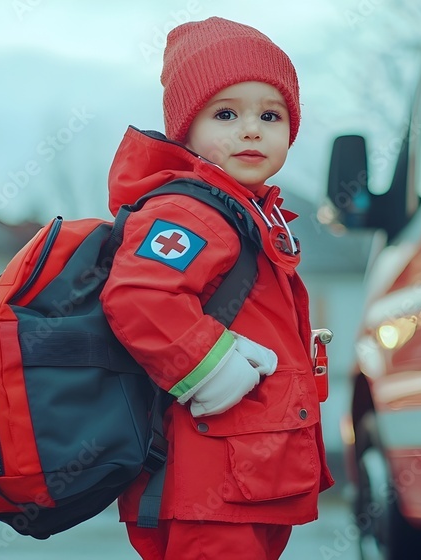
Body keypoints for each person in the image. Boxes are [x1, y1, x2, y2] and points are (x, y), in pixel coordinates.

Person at [99, 16, 334, 560]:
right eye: (225, 114)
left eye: (270, 115)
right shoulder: (191, 213)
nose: (251, 129)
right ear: (185, 130)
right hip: (210, 482)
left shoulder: (245, 213)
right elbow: (138, 297)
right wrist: (211, 367)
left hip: (248, 471)